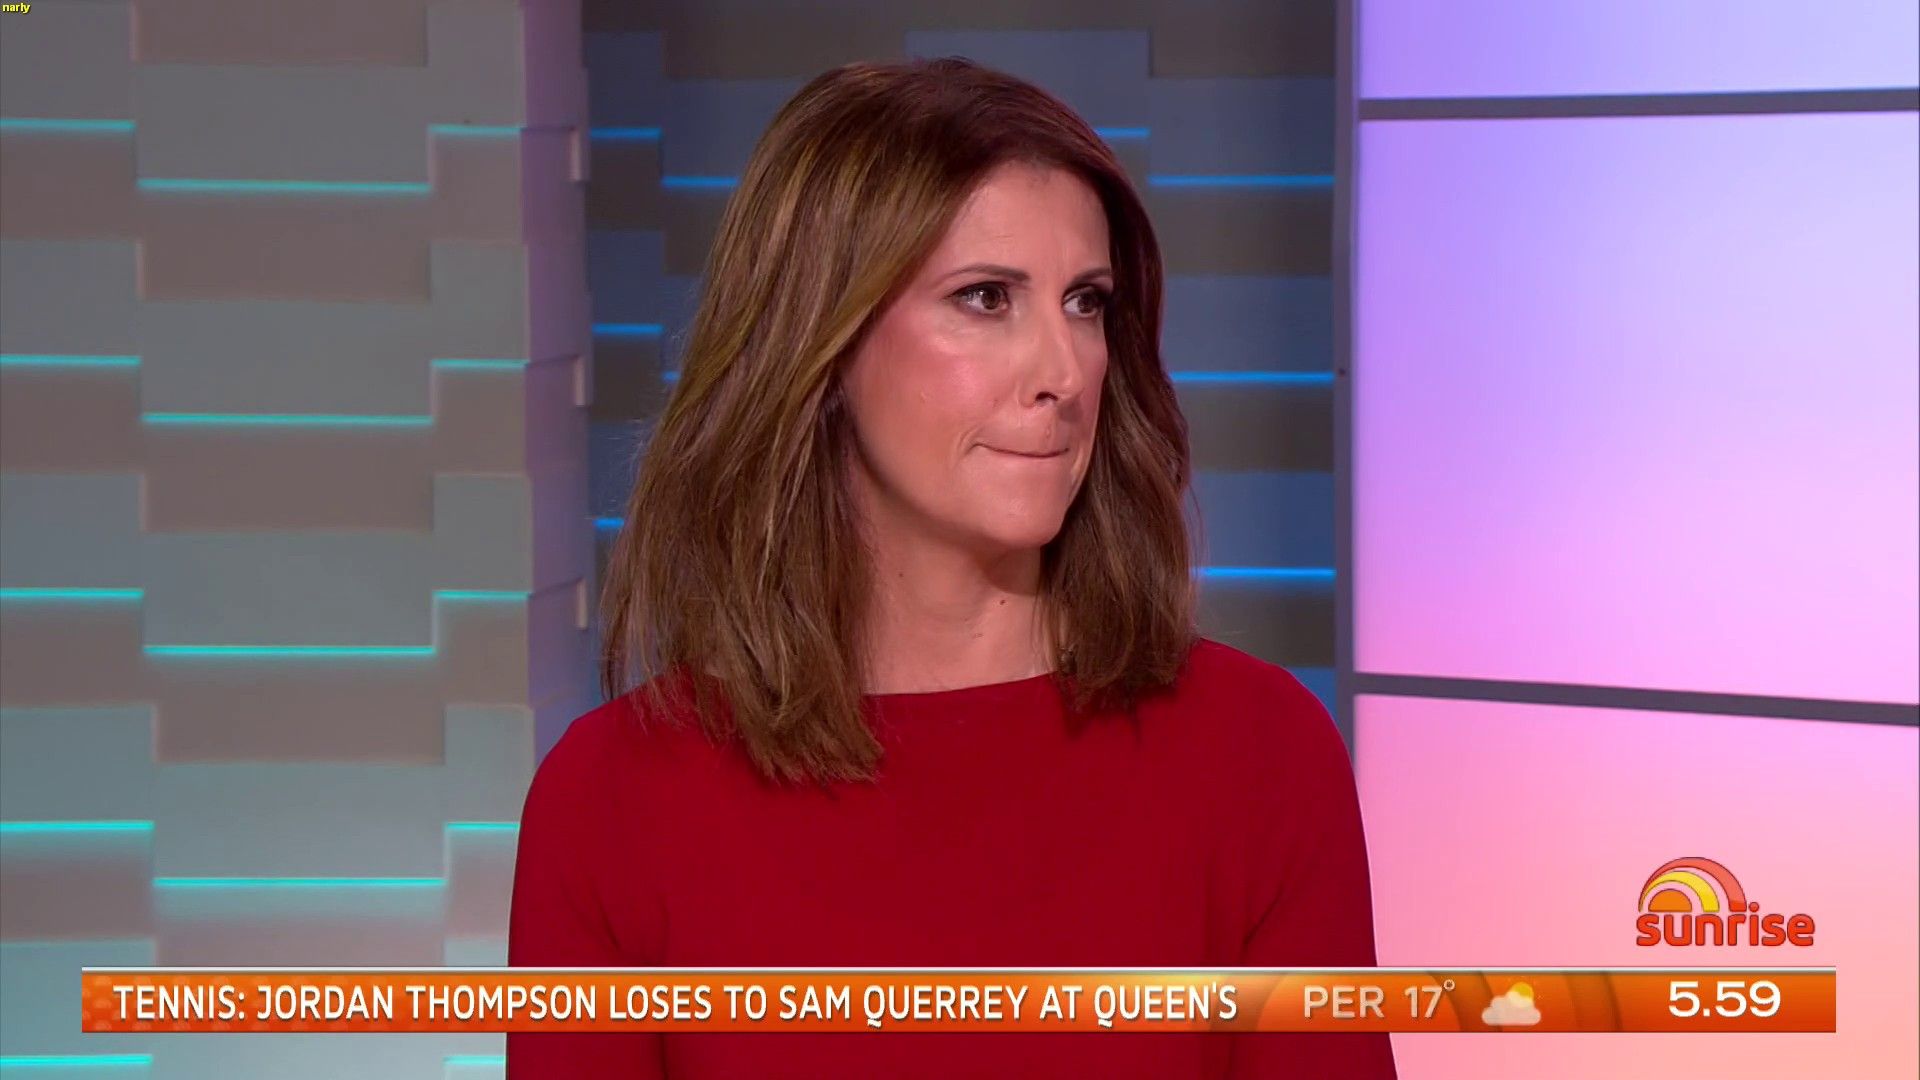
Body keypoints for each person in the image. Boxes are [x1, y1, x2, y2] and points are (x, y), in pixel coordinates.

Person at [507, 56, 1397, 1079]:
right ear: (823, 344)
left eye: (1086, 303)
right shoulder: (613, 801)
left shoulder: (1260, 758)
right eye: (985, 298)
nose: (1063, 372)